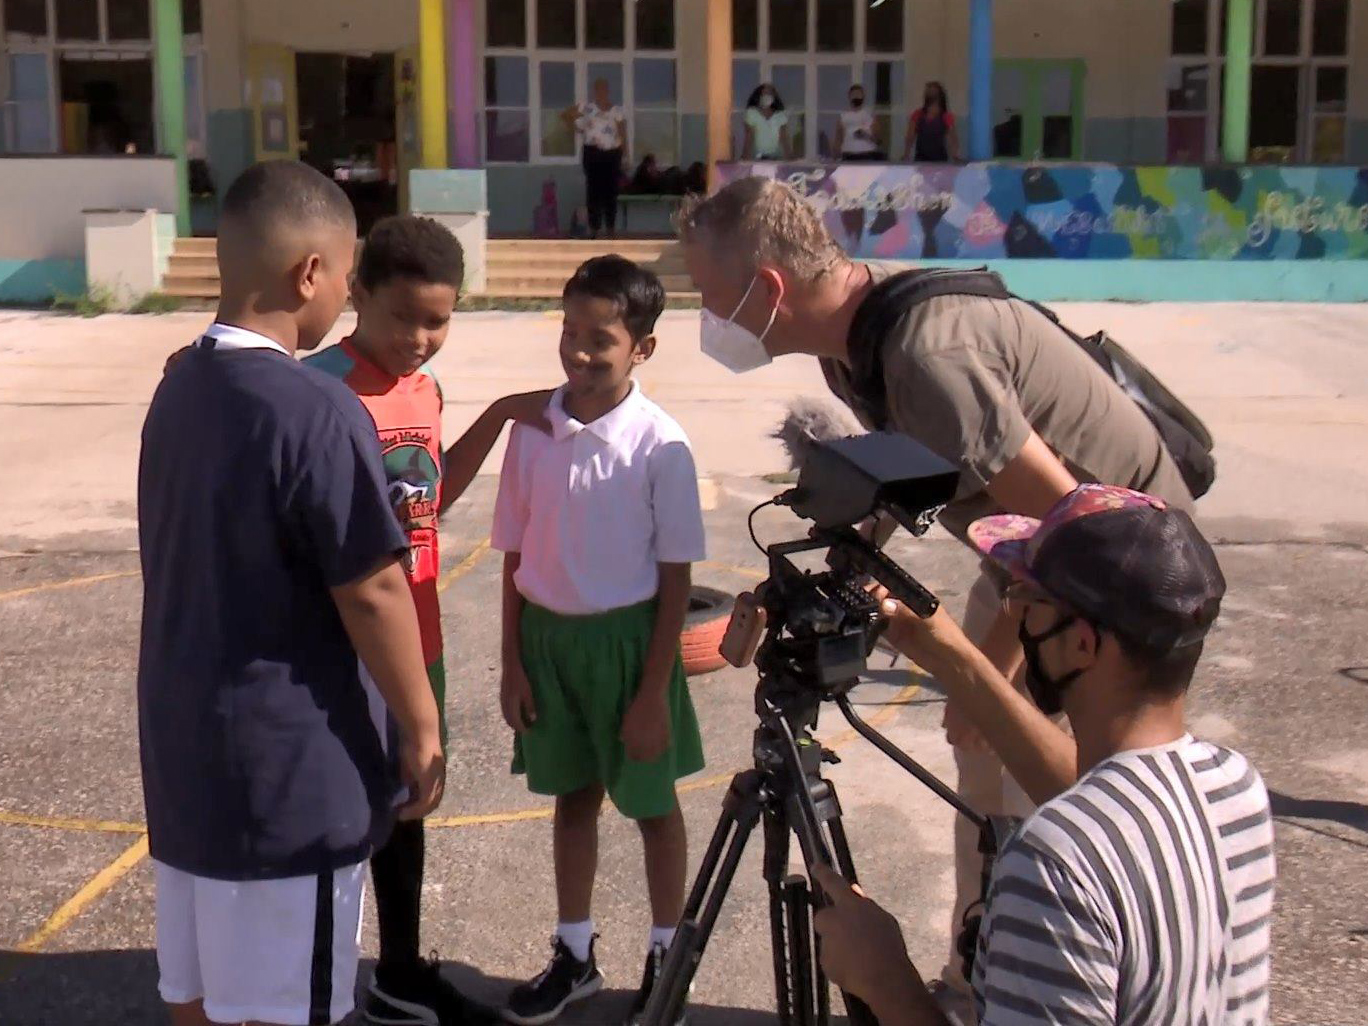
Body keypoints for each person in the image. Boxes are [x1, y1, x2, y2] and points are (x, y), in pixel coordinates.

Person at [677, 175, 1199, 996]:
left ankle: (1058, 978)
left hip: (1107, 584)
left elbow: (1067, 532)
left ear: (769, 288)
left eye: (712, 297)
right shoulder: (855, 339)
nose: (711, 318)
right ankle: (979, 979)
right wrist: (835, 549)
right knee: (982, 768)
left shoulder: (924, 352)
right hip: (1028, 559)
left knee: (1050, 791)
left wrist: (985, 677)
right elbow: (914, 474)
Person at [138, 160, 446, 1026]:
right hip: (288, 777)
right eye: (347, 278)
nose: (345, 299)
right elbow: (374, 589)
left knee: (196, 997)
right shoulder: (314, 407)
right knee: (292, 1008)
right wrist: (421, 725)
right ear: (309, 272)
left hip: (186, 759)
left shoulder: (177, 389)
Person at [811, 484, 1274, 1025]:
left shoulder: (1054, 861)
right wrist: (950, 655)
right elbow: (1110, 805)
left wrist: (886, 980)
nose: (1020, 622)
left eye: (1025, 604)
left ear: (1082, 643)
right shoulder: (1236, 788)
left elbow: (1081, 834)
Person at [303, 215, 552, 1026]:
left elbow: (431, 497)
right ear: (357, 293)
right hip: (340, 646)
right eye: (401, 316)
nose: (418, 337)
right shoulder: (315, 388)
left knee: (409, 810)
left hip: (420, 637)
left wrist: (506, 412)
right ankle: (313, 983)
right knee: (337, 822)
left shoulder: (427, 388)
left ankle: (400, 972)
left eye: (437, 321)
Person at [493, 256, 707, 1026]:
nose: (580, 352)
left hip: (629, 647)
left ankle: (666, 951)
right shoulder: (533, 433)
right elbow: (515, 555)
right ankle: (575, 954)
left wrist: (653, 692)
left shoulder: (661, 444)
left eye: (602, 340)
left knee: (653, 807)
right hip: (549, 646)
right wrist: (513, 661)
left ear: (641, 349)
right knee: (572, 801)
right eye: (570, 332)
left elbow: (676, 580)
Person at [563, 78, 628, 239]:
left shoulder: (616, 111)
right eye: (598, 89)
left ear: (608, 91)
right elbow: (565, 115)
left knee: (610, 191)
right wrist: (576, 126)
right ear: (595, 91)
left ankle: (610, 228)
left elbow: (622, 133)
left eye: (604, 89)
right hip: (592, 153)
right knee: (593, 191)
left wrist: (626, 154)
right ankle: (594, 227)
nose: (601, 93)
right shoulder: (587, 108)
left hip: (612, 154)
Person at [903, 81, 960, 163]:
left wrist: (955, 155)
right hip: (921, 159)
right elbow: (910, 137)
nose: (929, 92)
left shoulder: (946, 116)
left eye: (932, 90)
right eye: (928, 90)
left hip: (939, 160)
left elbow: (953, 138)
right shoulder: (918, 114)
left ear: (939, 95)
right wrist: (906, 154)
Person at [834, 84, 884, 162]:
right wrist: (835, 157)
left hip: (867, 153)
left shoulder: (870, 115)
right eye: (854, 95)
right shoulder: (843, 116)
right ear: (849, 97)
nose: (856, 97)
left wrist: (866, 135)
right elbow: (838, 139)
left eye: (859, 94)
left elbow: (879, 141)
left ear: (863, 96)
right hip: (848, 153)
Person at [742, 83, 791, 161]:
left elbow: (784, 138)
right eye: (764, 93)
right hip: (757, 158)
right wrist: (745, 158)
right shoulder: (752, 113)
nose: (767, 96)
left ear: (774, 97)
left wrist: (789, 157)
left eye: (770, 93)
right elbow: (749, 137)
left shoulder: (780, 115)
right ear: (759, 96)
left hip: (777, 158)